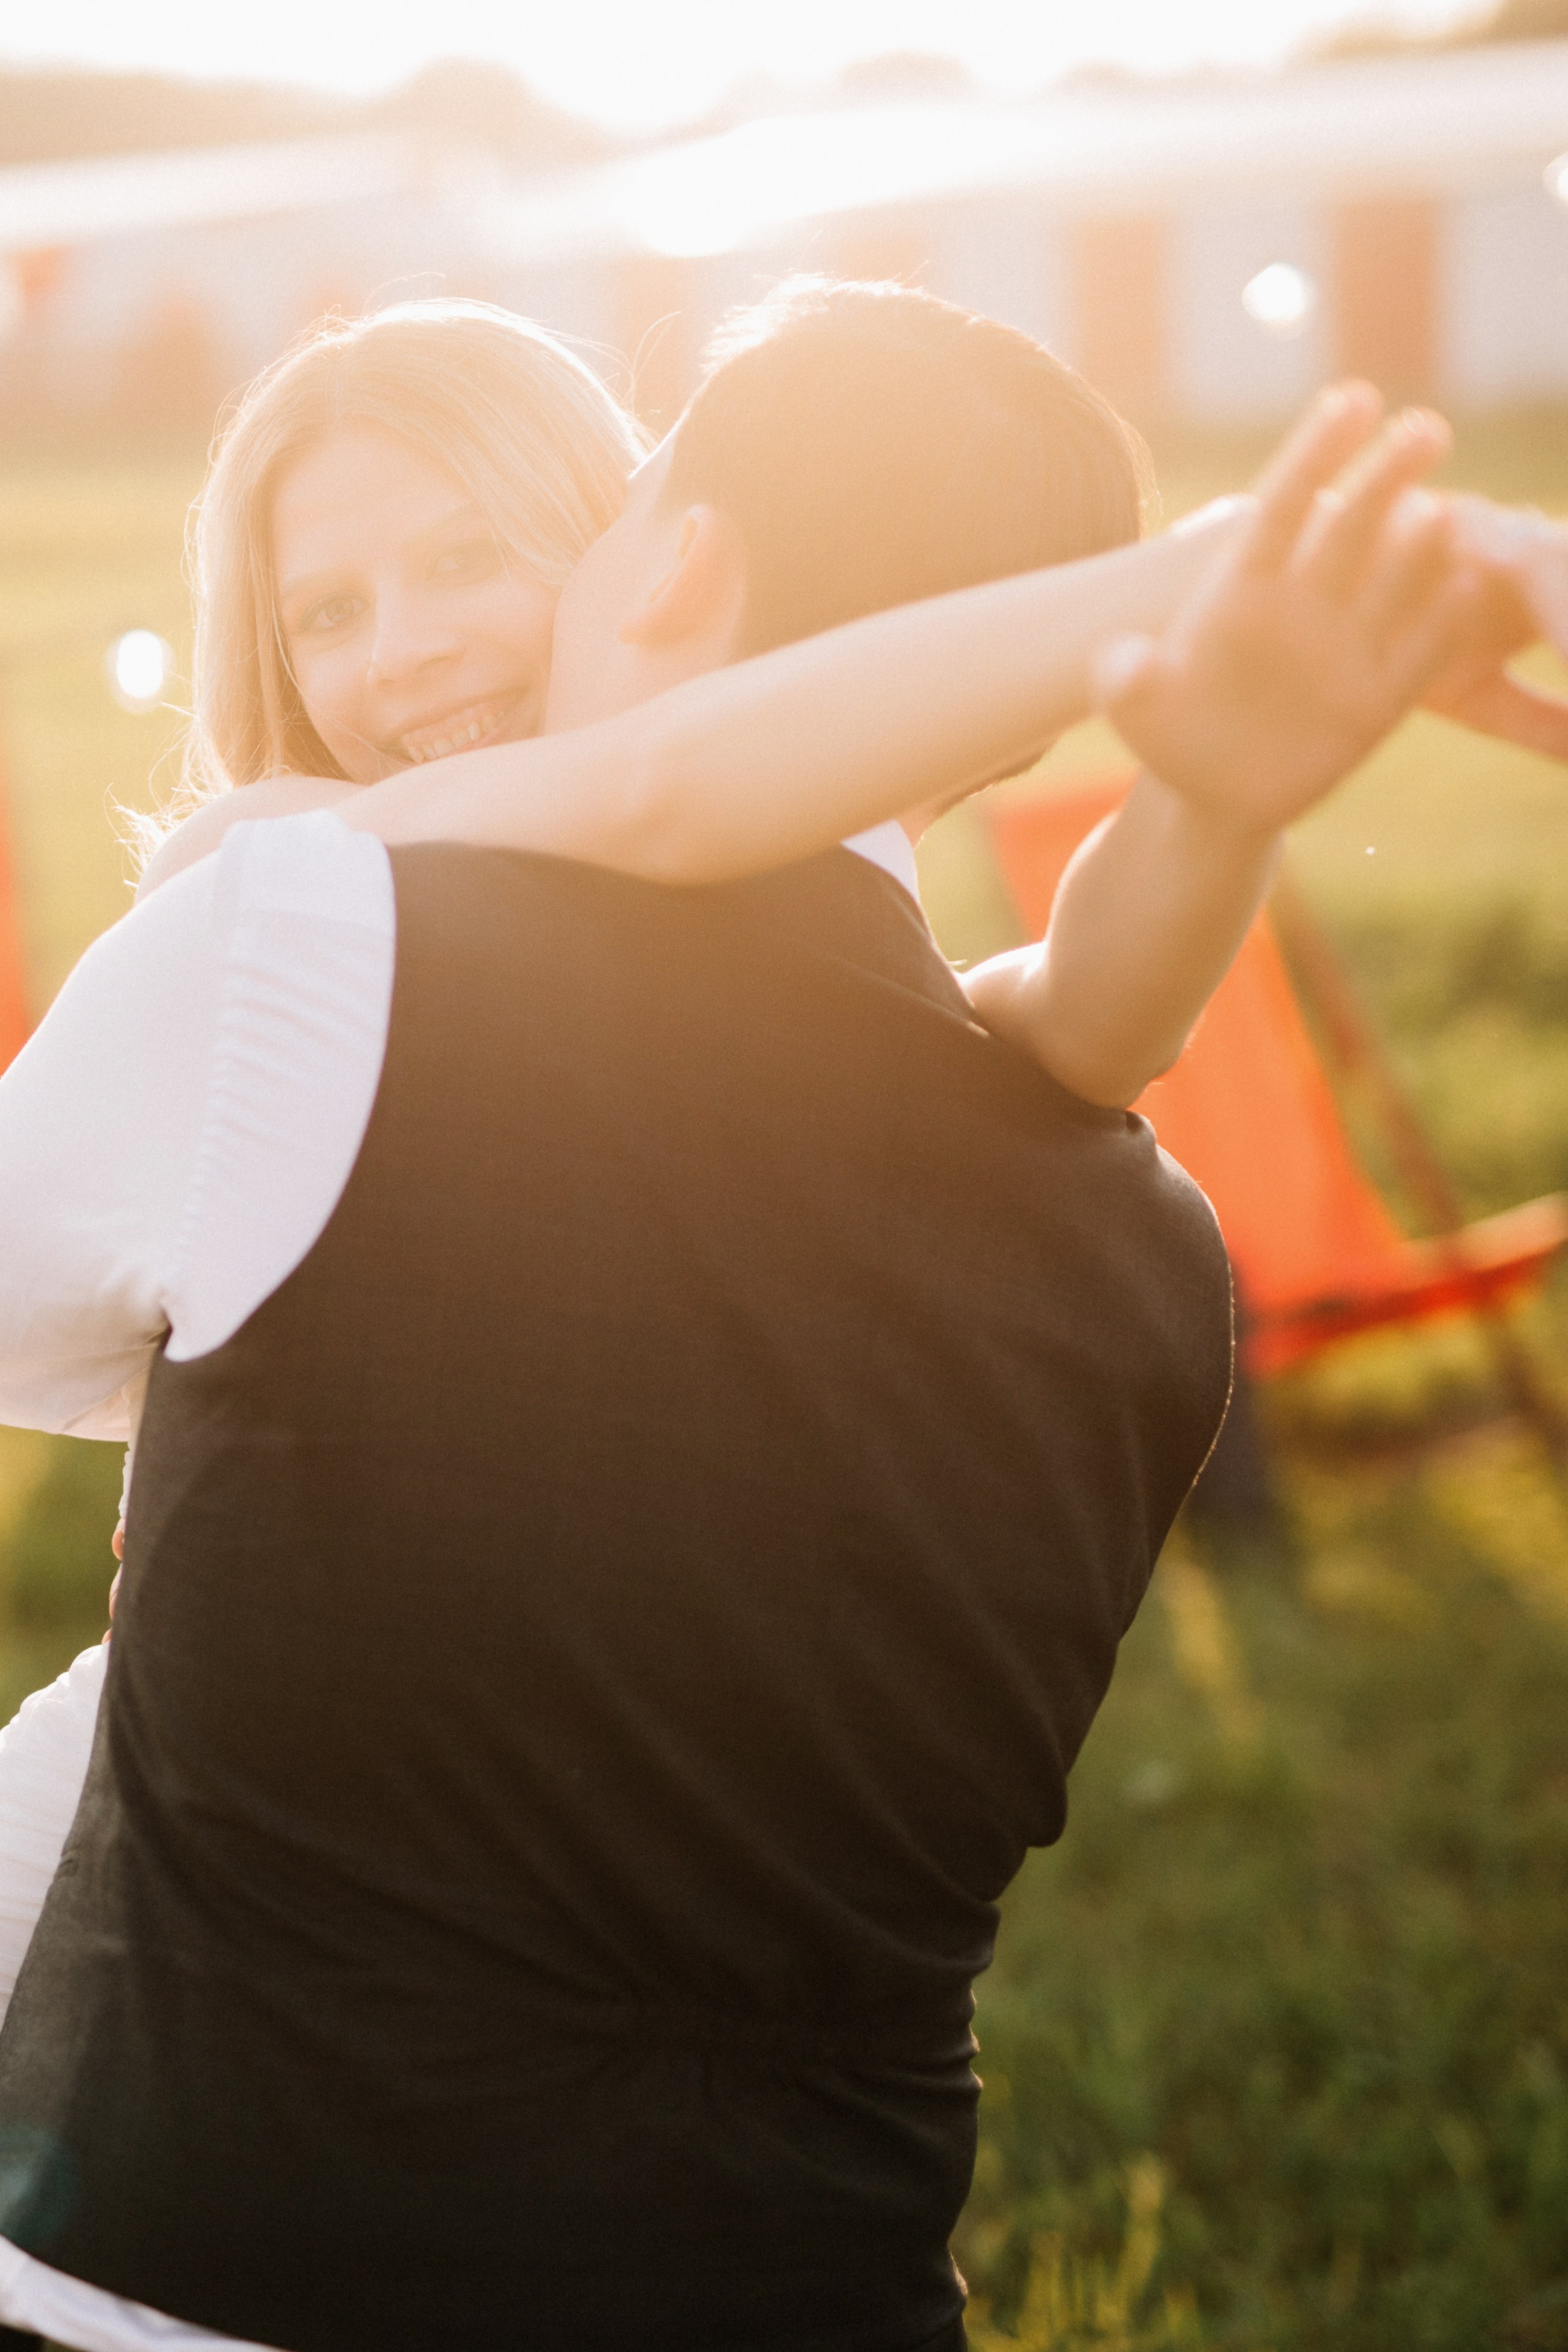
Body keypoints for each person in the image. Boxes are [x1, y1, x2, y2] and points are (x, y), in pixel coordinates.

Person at [0, 280, 1553, 2352]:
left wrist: (1193, 648)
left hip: (198, 2235)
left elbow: (767, 856)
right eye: (331, 613)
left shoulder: (294, 932)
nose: (404, 655)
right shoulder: (1155, 1267)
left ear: (659, 551)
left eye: (486, 550)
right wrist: (1216, 762)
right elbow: (1052, 1017)